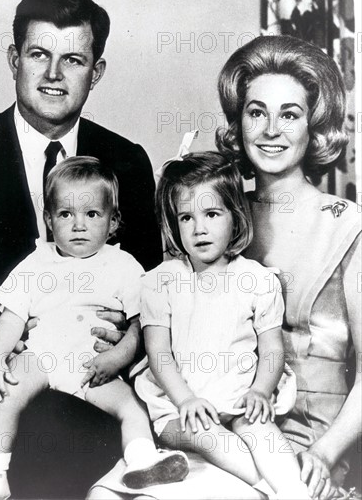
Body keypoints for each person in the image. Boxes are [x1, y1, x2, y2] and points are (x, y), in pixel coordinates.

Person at [0, 0, 161, 498]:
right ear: (13, 58)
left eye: (72, 59)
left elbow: (152, 289)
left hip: (92, 394)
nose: (53, 75)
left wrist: (122, 336)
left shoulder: (127, 161)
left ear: (97, 72)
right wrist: (7, 342)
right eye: (38, 54)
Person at [0, 157, 188, 500]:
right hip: (42, 355)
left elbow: (139, 325)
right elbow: (11, 318)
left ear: (113, 221)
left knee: (133, 406)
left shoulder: (123, 265)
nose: (79, 226)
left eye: (92, 215)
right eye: (66, 214)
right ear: (49, 221)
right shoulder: (38, 262)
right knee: (5, 394)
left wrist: (117, 357)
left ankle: (141, 461)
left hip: (92, 366)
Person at [215, 35, 361, 499]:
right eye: (256, 112)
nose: (271, 129)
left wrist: (324, 454)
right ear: (239, 123)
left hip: (311, 446)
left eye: (289, 115)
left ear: (314, 128)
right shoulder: (214, 216)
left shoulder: (347, 225)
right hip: (223, 429)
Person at [133, 151, 310, 499]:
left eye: (212, 214)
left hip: (239, 395)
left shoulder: (257, 280)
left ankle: (296, 492)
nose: (199, 228)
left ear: (235, 216)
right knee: (210, 436)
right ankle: (265, 489)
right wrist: (186, 400)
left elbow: (272, 349)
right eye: (186, 217)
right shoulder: (162, 281)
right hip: (177, 406)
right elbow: (159, 353)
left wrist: (260, 390)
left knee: (263, 432)